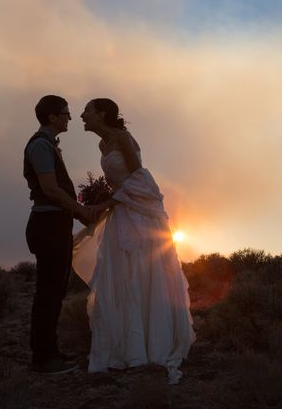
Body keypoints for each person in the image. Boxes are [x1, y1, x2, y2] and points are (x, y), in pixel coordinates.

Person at [73, 98, 195, 384]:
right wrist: (102, 199)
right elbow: (119, 182)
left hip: (139, 215)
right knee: (122, 277)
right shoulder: (102, 145)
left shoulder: (123, 138)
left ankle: (150, 347)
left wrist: (105, 203)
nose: (82, 115)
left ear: (102, 113)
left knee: (140, 272)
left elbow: (140, 179)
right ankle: (128, 348)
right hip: (121, 214)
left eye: (88, 111)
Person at [23, 95, 96, 374]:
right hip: (48, 226)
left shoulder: (47, 145)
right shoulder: (41, 146)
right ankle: (43, 359)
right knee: (48, 293)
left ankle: (50, 351)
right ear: (52, 116)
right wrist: (80, 209)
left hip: (56, 224)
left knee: (55, 292)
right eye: (65, 113)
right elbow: (51, 189)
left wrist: (79, 214)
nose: (69, 117)